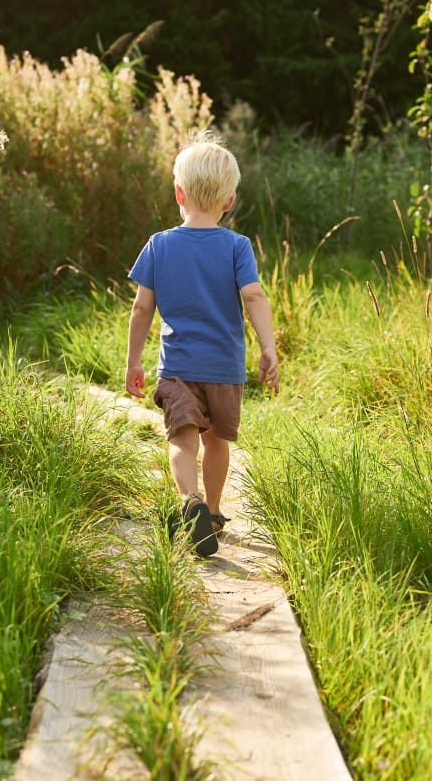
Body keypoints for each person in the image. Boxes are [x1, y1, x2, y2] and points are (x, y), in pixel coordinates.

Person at [125, 130, 279, 557]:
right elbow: (254, 296)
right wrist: (268, 348)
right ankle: (212, 511)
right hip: (225, 368)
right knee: (217, 442)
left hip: (177, 367)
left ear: (179, 192)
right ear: (229, 201)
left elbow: (141, 310)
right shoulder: (237, 246)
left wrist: (133, 361)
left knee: (182, 438)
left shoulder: (159, 245)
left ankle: (188, 499)